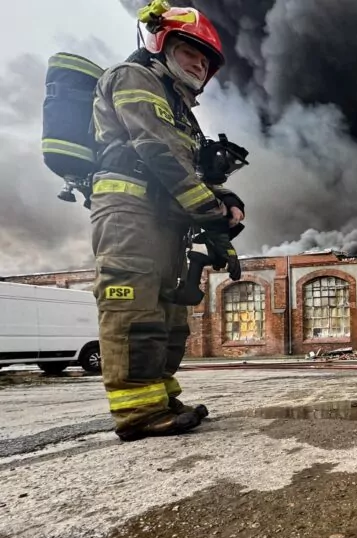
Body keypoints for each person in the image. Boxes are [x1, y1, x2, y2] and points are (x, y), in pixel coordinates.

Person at [90, 5, 246, 441]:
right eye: (190, 52)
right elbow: (158, 152)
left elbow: (189, 169)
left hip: (165, 220)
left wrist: (223, 201)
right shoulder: (133, 77)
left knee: (169, 313)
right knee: (135, 307)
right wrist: (211, 214)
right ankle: (138, 413)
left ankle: (161, 399)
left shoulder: (181, 109)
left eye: (206, 62)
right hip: (130, 214)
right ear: (161, 44)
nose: (199, 64)